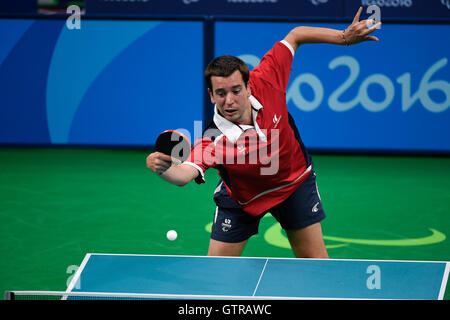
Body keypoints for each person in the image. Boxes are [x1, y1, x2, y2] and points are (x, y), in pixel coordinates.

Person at [146, 7, 381, 258]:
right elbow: (183, 175)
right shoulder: (213, 139)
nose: (229, 100)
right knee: (216, 274)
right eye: (221, 93)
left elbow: (296, 35)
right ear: (211, 96)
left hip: (293, 184)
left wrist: (343, 37)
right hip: (242, 201)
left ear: (248, 87)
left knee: (316, 266)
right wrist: (163, 168)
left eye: (236, 90)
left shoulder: (267, 78)